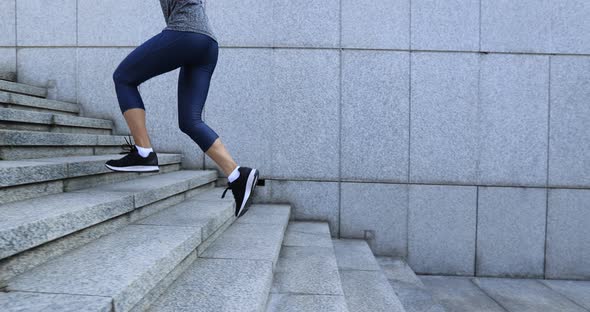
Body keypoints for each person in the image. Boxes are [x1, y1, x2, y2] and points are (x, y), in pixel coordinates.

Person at [104, 0, 258, 218]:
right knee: (190, 121)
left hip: (186, 32)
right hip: (207, 43)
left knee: (123, 78)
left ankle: (144, 152)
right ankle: (237, 174)